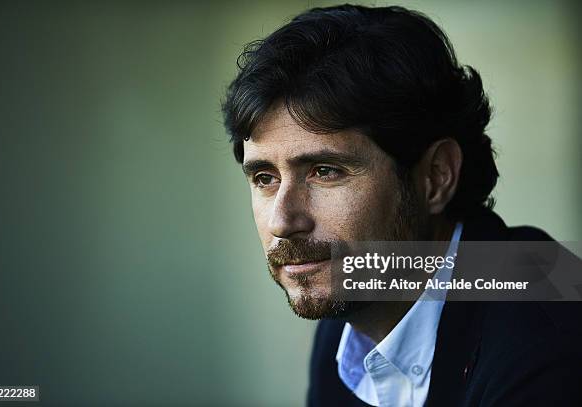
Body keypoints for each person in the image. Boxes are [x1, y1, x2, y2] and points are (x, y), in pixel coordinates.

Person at [221, 5, 582, 406]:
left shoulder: (552, 337)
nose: (283, 221)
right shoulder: (349, 314)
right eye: (265, 178)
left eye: (325, 171)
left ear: (436, 176)